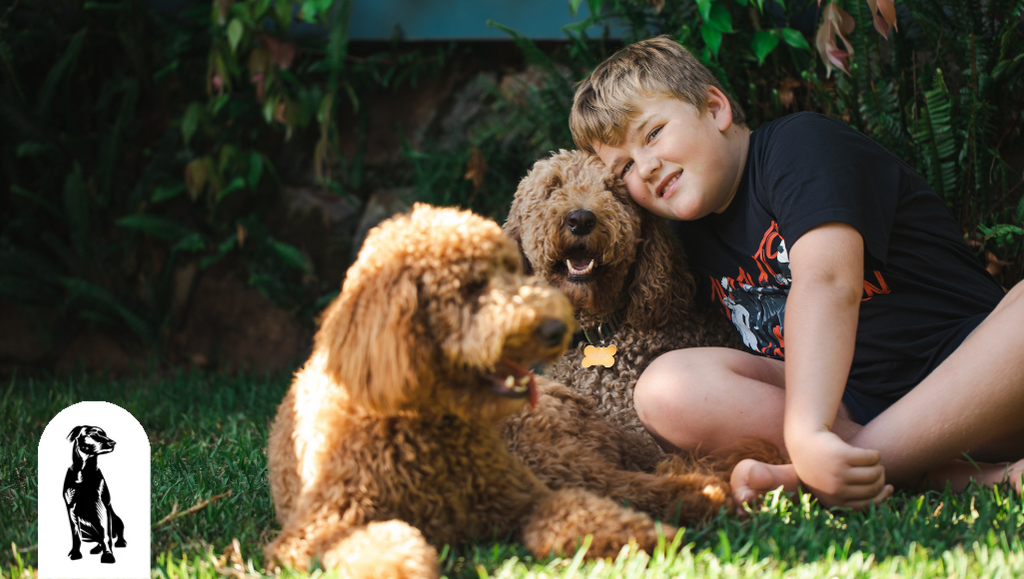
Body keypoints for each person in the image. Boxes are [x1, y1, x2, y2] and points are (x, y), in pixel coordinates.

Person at [568, 35, 1024, 509]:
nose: (645, 166)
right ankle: (970, 478)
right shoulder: (684, 242)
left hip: (979, 380)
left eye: (653, 133)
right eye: (622, 169)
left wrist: (806, 432)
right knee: (666, 389)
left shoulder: (797, 146)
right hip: (853, 406)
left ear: (715, 108)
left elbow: (829, 282)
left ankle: (826, 474)